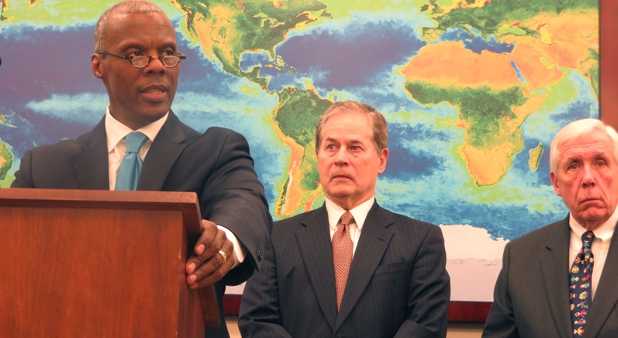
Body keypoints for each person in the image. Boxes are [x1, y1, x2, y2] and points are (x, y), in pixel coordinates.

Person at [10, 1, 271, 337]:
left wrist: (225, 241)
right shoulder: (44, 168)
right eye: (136, 54)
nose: (157, 66)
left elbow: (244, 203)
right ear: (98, 65)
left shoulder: (217, 151)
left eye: (168, 54)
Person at [238, 101, 450, 338]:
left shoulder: (420, 240)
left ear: (381, 160)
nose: (340, 158)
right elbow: (257, 320)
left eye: (355, 147)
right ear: (318, 158)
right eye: (331, 147)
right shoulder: (275, 238)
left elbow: (426, 325)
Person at [482, 118, 618, 338]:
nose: (588, 178)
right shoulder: (519, 258)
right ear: (556, 183)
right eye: (573, 165)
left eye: (600, 162)